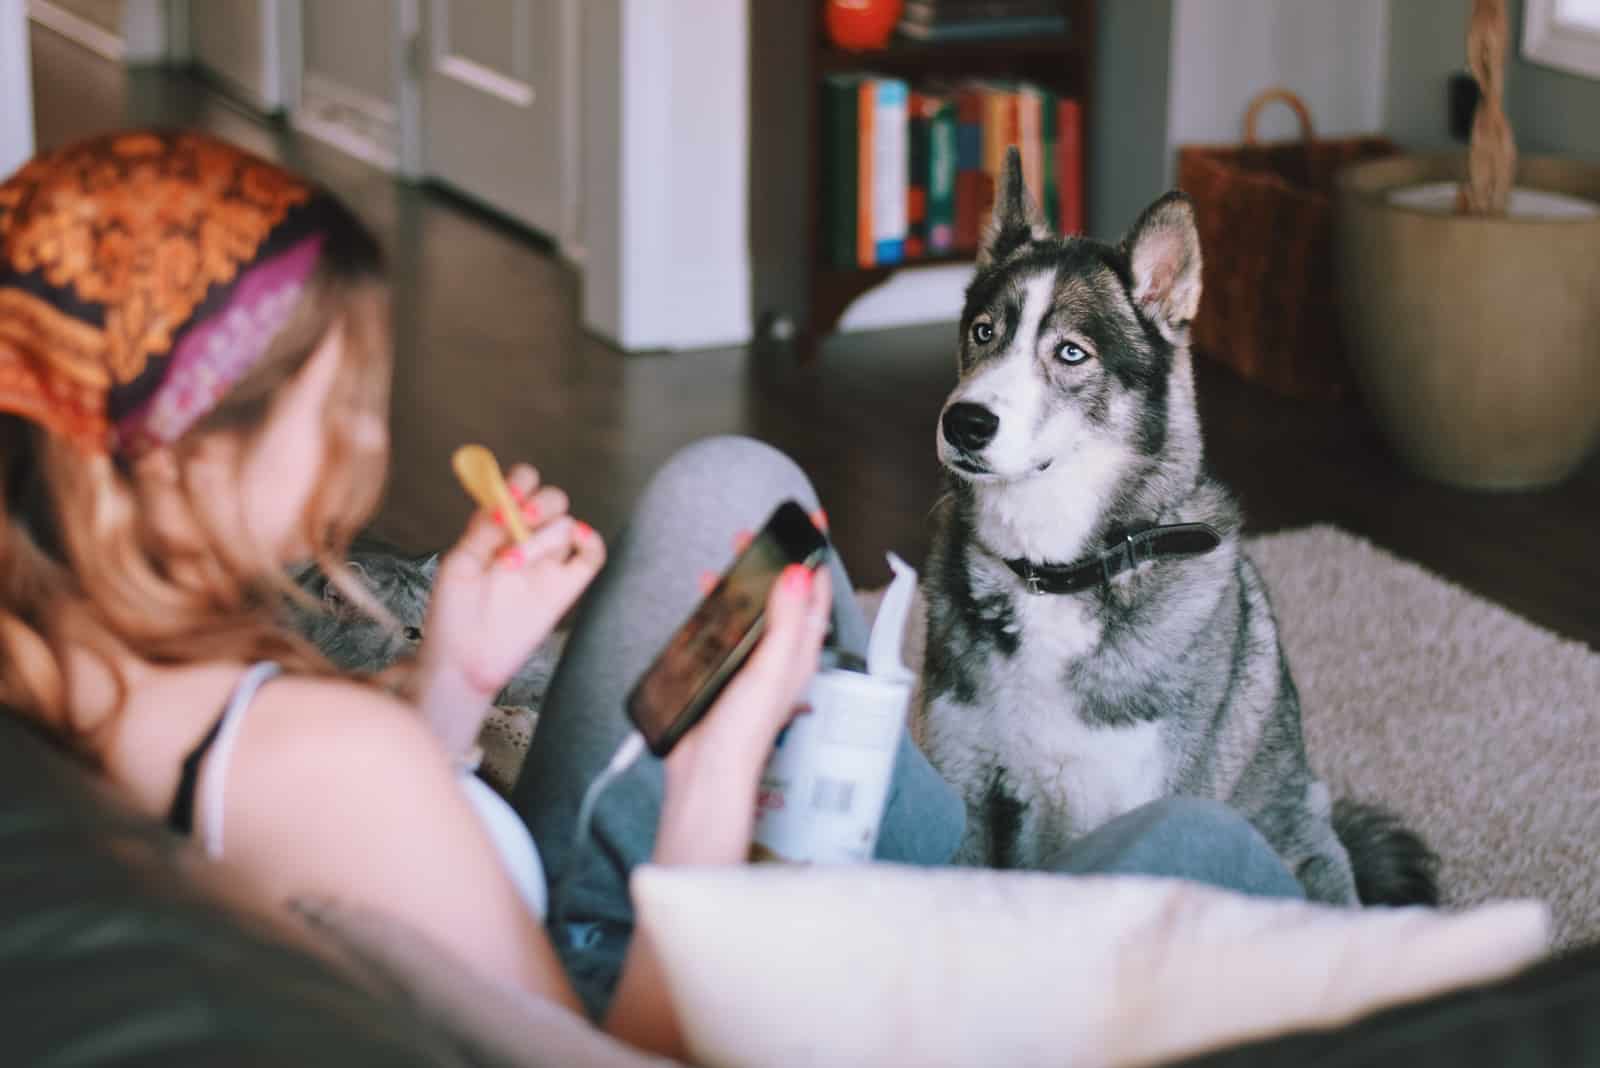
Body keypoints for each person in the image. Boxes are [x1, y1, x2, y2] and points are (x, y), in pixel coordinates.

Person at [0, 132, 1302, 1061]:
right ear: (182, 453)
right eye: (334, 406)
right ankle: (922, 857)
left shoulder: (70, 653)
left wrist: (449, 679)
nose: (358, 445)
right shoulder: (328, 757)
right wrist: (719, 771)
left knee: (735, 493)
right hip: (620, 962)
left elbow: (354, 839)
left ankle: (912, 834)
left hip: (527, 906)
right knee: (1209, 857)